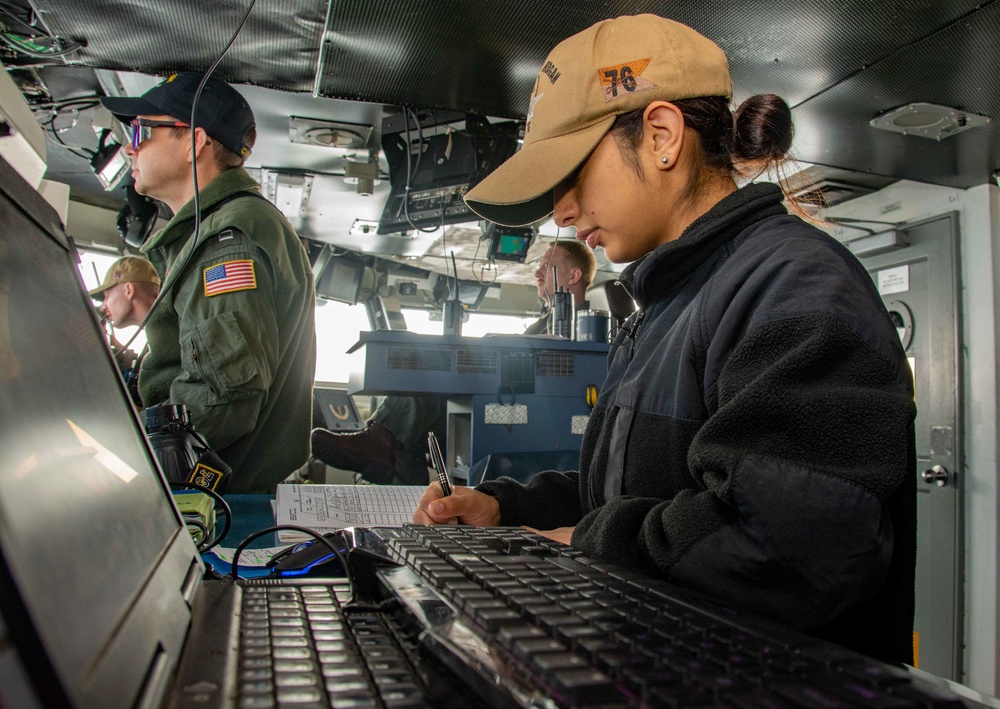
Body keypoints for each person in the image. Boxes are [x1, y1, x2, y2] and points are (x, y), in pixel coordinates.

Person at [414, 14, 917, 666]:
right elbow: (635, 491)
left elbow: (791, 543)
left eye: (572, 175)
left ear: (660, 136)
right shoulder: (666, 306)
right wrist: (508, 510)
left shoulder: (794, 288)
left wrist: (591, 543)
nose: (560, 211)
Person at [99, 73, 316, 494]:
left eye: (142, 130)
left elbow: (222, 396)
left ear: (194, 141)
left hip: (217, 502)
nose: (130, 147)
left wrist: (126, 461)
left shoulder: (226, 239)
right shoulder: (227, 227)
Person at [310, 240, 597, 485]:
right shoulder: (541, 325)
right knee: (411, 432)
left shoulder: (588, 329)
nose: (537, 272)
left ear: (573, 276)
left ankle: (380, 444)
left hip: (527, 419)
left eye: (548, 266)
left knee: (421, 393)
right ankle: (406, 507)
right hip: (503, 410)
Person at [88, 255, 161, 401]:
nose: (103, 306)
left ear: (128, 290)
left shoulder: (166, 341)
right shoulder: (155, 341)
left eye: (106, 296)